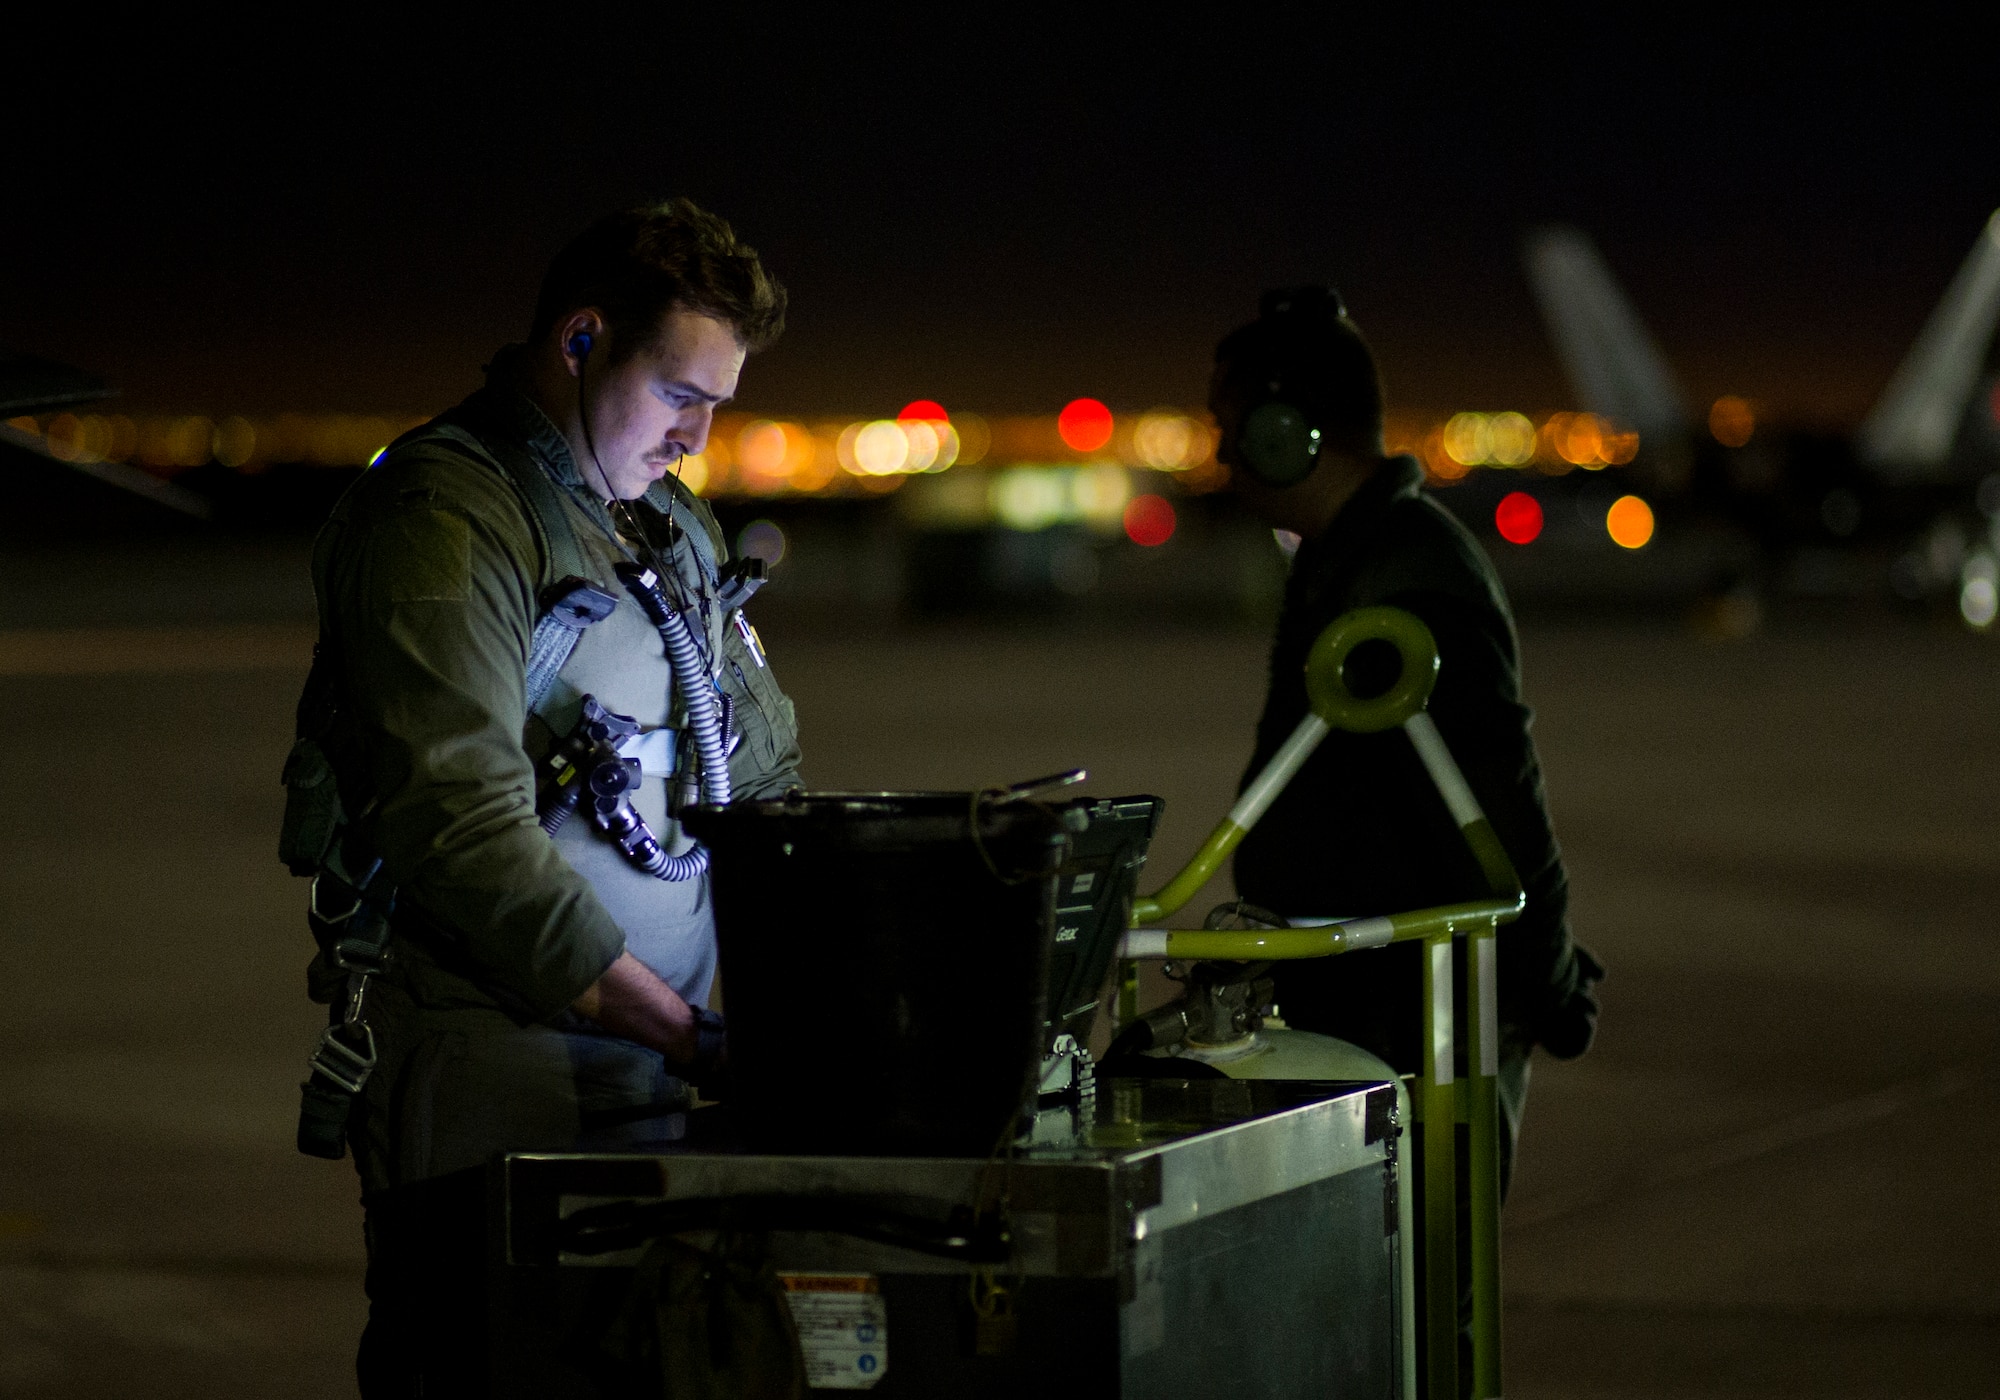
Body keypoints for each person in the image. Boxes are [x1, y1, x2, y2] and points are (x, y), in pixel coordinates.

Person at [288, 198, 802, 1395]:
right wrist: (688, 1036)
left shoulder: (661, 524)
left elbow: (757, 772)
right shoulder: (445, 516)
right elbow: (456, 825)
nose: (697, 434)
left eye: (718, 405)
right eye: (681, 393)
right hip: (498, 1081)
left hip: (652, 1072)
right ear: (579, 341)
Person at [1213, 286, 1604, 1194]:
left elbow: (1497, 807)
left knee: (1425, 1311)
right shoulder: (1351, 558)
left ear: (1286, 431)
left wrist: (1549, 989)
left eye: (1230, 423)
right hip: (1366, 1012)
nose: (1222, 453)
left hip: (1414, 1029)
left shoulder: (1404, 581)